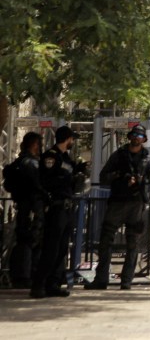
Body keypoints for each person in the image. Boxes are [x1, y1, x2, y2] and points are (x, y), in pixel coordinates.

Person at [85, 125, 150, 291]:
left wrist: (141, 183)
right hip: (117, 202)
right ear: (130, 137)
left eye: (140, 135)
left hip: (136, 204)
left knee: (133, 244)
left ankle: (127, 281)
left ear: (144, 139)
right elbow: (104, 177)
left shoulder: (147, 160)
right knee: (105, 241)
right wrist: (120, 176)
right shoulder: (118, 156)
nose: (136, 138)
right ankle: (101, 279)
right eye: (134, 135)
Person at [31, 126, 86, 298]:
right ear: (67, 139)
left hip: (67, 207)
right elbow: (48, 181)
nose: (73, 142)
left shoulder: (66, 158)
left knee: (62, 248)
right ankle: (39, 285)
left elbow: (69, 180)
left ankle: (53, 284)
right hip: (55, 207)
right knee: (51, 248)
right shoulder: (51, 156)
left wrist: (78, 172)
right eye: (72, 139)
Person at [9, 132, 46, 289]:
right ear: (34, 144)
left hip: (26, 205)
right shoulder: (30, 163)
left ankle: (25, 274)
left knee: (27, 239)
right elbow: (37, 183)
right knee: (30, 240)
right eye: (39, 144)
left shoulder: (21, 161)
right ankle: (25, 275)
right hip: (31, 205)